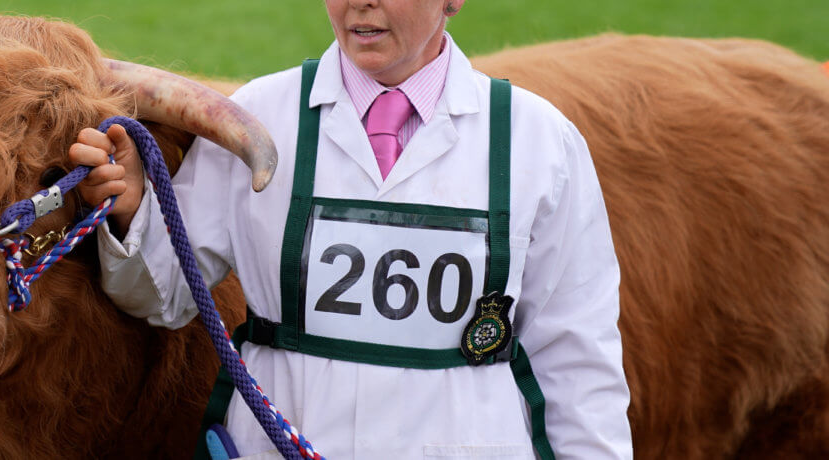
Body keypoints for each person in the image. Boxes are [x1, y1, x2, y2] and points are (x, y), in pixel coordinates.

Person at [69, 0, 633, 458]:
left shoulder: (538, 140)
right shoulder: (255, 115)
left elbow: (577, 357)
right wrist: (134, 210)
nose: (361, 3)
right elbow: (160, 294)